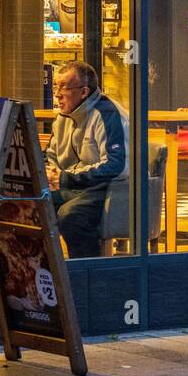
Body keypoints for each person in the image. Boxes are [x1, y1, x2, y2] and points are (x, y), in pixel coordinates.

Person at [43, 61, 129, 259]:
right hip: (77, 188)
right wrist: (47, 172)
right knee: (31, 205)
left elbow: (116, 166)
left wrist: (65, 178)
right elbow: (50, 155)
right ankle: (47, 271)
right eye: (56, 86)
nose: (57, 93)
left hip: (112, 190)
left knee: (72, 216)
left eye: (64, 87)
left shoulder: (107, 113)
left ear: (83, 92)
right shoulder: (63, 117)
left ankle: (88, 272)